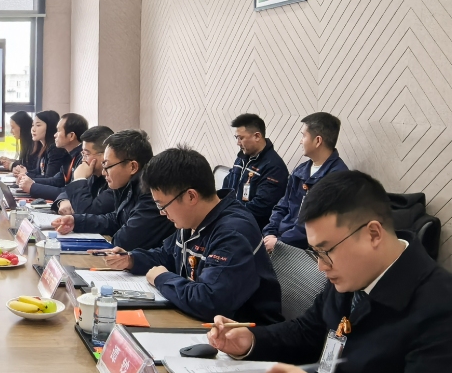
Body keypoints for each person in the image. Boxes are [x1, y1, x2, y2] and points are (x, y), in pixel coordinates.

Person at [208, 171, 452, 373]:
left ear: (373, 234)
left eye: (326, 251)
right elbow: (308, 331)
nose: (321, 266)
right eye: (315, 252)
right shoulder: (353, 277)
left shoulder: (446, 309)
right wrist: (251, 341)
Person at [105, 146, 282, 324]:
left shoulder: (233, 232)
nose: (161, 212)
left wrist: (161, 278)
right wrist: (132, 259)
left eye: (162, 205)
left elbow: (210, 301)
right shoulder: (192, 219)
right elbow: (167, 255)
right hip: (198, 322)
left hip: (242, 333)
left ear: (191, 196)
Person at [52, 129, 174, 251]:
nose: (104, 172)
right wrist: (76, 221)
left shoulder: (152, 192)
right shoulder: (127, 184)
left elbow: (125, 241)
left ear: (132, 167)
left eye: (107, 166)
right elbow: (116, 220)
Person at [263, 112, 349, 251]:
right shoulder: (300, 171)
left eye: (303, 136)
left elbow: (316, 226)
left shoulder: (338, 178)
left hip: (307, 250)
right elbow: (282, 206)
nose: (300, 141)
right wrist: (270, 232)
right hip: (280, 239)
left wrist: (280, 243)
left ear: (318, 141)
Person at [222, 113, 288, 229]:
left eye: (241, 138)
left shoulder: (274, 167)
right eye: (236, 138)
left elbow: (261, 207)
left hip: (250, 226)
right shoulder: (242, 157)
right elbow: (228, 184)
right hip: (232, 218)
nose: (238, 143)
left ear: (257, 136)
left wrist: (228, 213)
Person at [16, 112, 88, 199]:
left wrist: (32, 187)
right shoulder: (70, 155)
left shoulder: (83, 158)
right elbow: (56, 181)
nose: (55, 135)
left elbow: (69, 192)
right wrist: (27, 180)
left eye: (58, 131)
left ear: (71, 136)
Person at [51, 125, 114, 217]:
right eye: (83, 154)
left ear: (106, 155)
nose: (83, 160)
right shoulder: (93, 174)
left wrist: (79, 179)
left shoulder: (115, 180)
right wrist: (63, 201)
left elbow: (86, 213)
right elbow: (68, 191)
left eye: (86, 154)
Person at [11, 110, 64, 181]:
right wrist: (22, 172)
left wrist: (26, 174)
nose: (33, 129)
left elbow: (49, 178)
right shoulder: (43, 147)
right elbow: (38, 171)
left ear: (50, 127)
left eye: (38, 125)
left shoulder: (55, 149)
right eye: (33, 125)